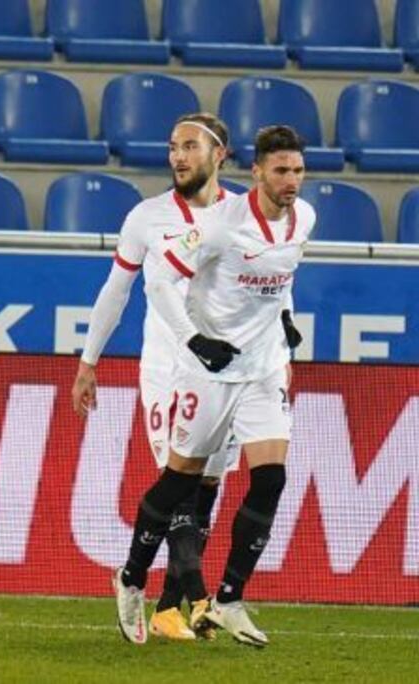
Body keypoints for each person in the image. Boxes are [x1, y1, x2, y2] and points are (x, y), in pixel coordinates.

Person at [113, 125, 311, 647]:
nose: (291, 181)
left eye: (297, 171)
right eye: (281, 171)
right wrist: (194, 339)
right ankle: (132, 576)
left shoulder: (304, 217)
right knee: (181, 481)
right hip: (212, 371)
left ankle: (227, 600)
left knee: (271, 479)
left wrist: (287, 320)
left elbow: (284, 276)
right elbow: (160, 281)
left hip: (264, 368)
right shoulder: (222, 226)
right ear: (257, 173)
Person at [73, 113, 239, 641]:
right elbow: (116, 290)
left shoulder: (241, 217)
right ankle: (198, 596)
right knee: (179, 483)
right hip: (169, 371)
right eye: (172, 147)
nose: (178, 156)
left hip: (225, 370)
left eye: (190, 146)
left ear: (220, 155)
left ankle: (165, 603)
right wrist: (88, 360)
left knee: (208, 486)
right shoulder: (146, 217)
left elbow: (266, 289)